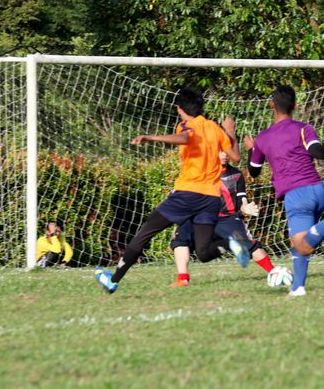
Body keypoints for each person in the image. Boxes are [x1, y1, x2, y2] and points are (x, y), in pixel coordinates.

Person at [94, 86, 245, 294]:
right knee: (203, 252)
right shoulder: (214, 128)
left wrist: (150, 137)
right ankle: (230, 243)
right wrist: (230, 132)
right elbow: (236, 157)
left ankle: (113, 280)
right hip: (211, 197)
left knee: (145, 232)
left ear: (179, 108)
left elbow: (185, 138)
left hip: (187, 194)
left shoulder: (186, 125)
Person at [243, 85, 324, 297]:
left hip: (296, 195)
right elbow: (320, 153)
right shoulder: (304, 129)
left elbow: (254, 171)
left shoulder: (263, 138)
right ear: (294, 106)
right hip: (317, 190)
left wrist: (251, 149)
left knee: (302, 245)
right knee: (299, 242)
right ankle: (298, 288)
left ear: (271, 105)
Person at [170, 151, 275, 287]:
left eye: (226, 151)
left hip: (227, 218)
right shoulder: (198, 172)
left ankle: (275, 273)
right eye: (220, 152)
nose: (224, 155)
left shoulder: (236, 174)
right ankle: (183, 280)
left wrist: (245, 207)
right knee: (180, 237)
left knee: (247, 244)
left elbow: (241, 200)